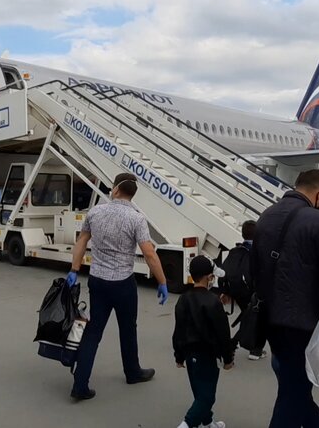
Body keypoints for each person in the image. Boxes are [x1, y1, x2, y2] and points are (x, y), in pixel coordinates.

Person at [251, 169, 319, 428]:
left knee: (294, 384)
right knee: (294, 392)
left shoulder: (266, 215)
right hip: (303, 321)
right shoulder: (318, 221)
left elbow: (254, 266)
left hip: (270, 317)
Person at [66, 172, 169, 400]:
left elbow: (82, 240)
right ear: (133, 194)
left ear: (114, 189)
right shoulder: (136, 218)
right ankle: (132, 372)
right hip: (123, 283)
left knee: (93, 332)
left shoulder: (95, 212)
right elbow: (149, 253)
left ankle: (80, 384)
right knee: (128, 329)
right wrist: (162, 282)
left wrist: (74, 269)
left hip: (98, 280)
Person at [174, 256, 235, 428]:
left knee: (199, 392)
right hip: (206, 355)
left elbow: (178, 330)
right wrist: (228, 358)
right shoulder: (213, 302)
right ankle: (186, 424)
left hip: (189, 354)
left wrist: (178, 355)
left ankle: (208, 422)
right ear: (209, 278)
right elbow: (223, 333)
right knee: (207, 396)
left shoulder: (183, 299)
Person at [220, 220, 266, 360]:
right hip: (254, 292)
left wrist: (225, 291)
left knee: (249, 318)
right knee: (259, 319)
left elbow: (224, 270)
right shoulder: (258, 251)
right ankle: (254, 349)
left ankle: (248, 347)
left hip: (237, 291)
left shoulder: (236, 250)